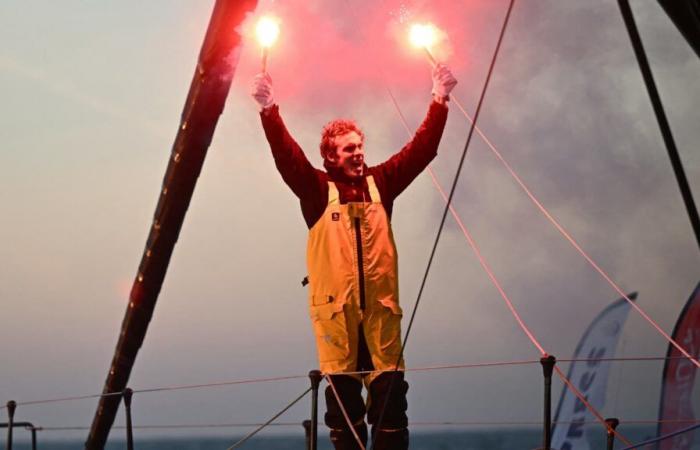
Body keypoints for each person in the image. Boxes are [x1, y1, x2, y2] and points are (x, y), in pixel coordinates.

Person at [251, 64, 457, 450]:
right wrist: (269, 109)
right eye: (349, 149)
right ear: (331, 156)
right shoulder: (314, 189)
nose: (359, 154)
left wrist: (440, 98)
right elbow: (286, 156)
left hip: (381, 317)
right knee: (344, 417)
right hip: (337, 320)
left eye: (361, 147)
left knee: (393, 409)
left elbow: (423, 149)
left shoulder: (383, 183)